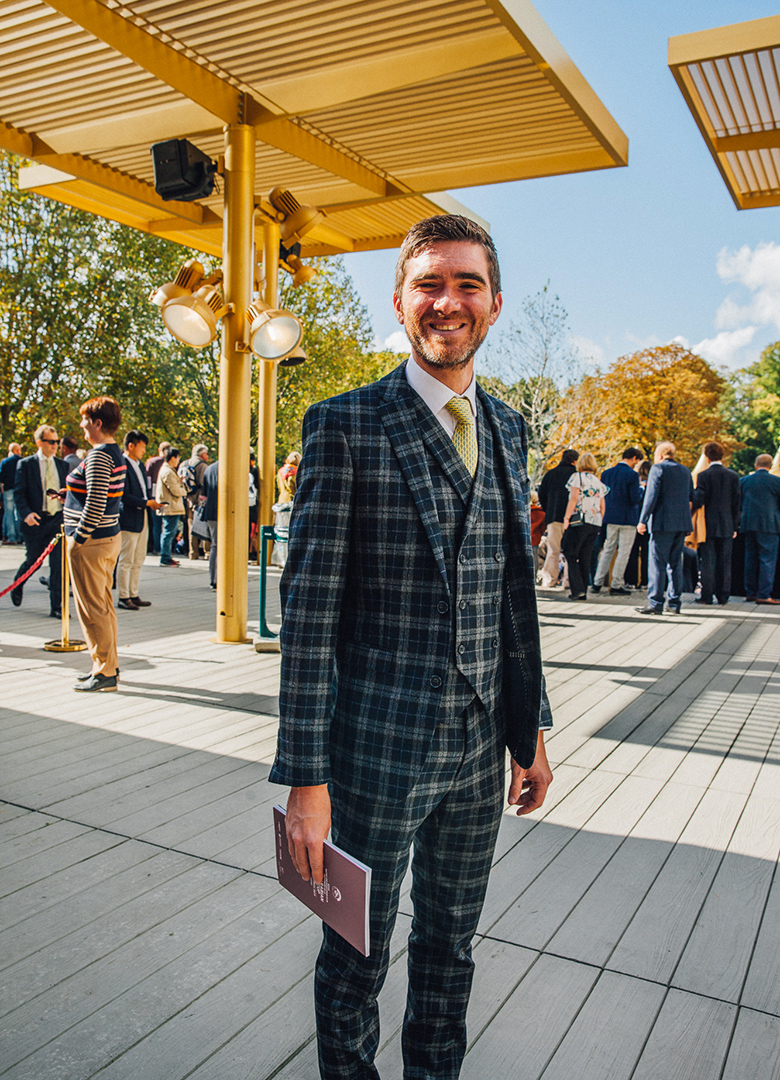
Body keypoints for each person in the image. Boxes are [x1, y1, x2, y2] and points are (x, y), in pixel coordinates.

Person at [271, 215, 553, 1080]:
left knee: (451, 949)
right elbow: (310, 616)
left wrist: (529, 728)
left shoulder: (508, 428)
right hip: (373, 750)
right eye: (430, 284)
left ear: (495, 304)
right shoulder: (344, 424)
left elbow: (512, 596)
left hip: (477, 749)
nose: (448, 302)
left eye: (467, 284)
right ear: (401, 302)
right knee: (355, 955)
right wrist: (305, 782)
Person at [64, 397, 127, 691]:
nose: (81, 426)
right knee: (102, 605)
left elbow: (96, 501)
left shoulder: (99, 455)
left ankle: (104, 671)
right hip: (106, 537)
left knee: (92, 608)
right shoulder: (114, 453)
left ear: (97, 423)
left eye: (85, 420)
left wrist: (78, 537)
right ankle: (106, 665)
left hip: (91, 541)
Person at [11, 426, 70, 616]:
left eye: (57, 442)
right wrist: (26, 514)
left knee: (58, 565)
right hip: (35, 521)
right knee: (33, 560)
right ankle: (17, 584)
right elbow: (19, 494)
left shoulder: (62, 466)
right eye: (51, 442)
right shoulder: (26, 464)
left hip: (57, 521)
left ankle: (57, 607)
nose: (55, 445)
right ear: (39, 442)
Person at [636, 441, 694, 615]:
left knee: (657, 563)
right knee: (675, 563)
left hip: (662, 523)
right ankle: (674, 603)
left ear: (660, 455)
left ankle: (655, 602)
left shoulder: (658, 469)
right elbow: (691, 495)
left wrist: (643, 520)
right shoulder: (685, 471)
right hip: (681, 524)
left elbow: (650, 496)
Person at [117, 430, 164, 609]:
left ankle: (133, 593)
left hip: (142, 515)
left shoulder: (139, 465)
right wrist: (146, 502)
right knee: (126, 559)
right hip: (129, 516)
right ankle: (123, 596)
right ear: (131, 446)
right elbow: (124, 495)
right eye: (142, 447)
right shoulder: (122, 464)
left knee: (138, 558)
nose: (144, 450)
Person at [691, 441, 741, 606]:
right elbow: (737, 503)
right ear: (723, 455)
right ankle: (723, 595)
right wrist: (735, 526)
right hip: (727, 524)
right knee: (725, 562)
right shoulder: (733, 476)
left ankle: (706, 595)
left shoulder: (703, 476)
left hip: (708, 525)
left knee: (708, 561)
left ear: (706, 456)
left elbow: (699, 500)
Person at [591, 447, 643, 596]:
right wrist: (641, 490)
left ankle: (597, 582)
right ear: (633, 458)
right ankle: (616, 584)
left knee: (608, 549)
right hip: (627, 517)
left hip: (609, 516)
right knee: (623, 552)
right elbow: (634, 498)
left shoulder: (607, 473)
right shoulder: (632, 475)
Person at [561, 452, 607, 601]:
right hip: (595, 522)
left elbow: (573, 499)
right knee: (585, 556)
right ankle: (584, 589)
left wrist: (567, 518)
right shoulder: (598, 482)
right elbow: (602, 504)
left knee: (570, 552)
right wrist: (600, 519)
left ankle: (577, 589)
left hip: (580, 520)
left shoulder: (577, 477)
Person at [740, 453, 780, 605]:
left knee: (750, 559)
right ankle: (763, 594)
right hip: (769, 525)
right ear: (770, 466)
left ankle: (750, 592)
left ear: (755, 465)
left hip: (748, 523)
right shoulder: (777, 482)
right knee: (767, 560)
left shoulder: (744, 481)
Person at [537, 449, 578, 587]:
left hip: (553, 516)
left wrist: (547, 509)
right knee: (570, 551)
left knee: (553, 550)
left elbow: (541, 494)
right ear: (575, 461)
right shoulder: (575, 475)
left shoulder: (551, 474)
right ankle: (568, 581)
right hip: (572, 518)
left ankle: (549, 580)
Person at [155, 447, 186, 567]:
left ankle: (167, 556)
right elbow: (176, 491)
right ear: (173, 458)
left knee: (169, 532)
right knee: (168, 533)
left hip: (171, 506)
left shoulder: (168, 470)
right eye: (178, 458)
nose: (178, 461)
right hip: (170, 507)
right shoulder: (168, 471)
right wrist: (183, 489)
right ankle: (165, 557)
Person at [179, 443, 210, 560]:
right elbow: (204, 484)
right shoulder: (202, 466)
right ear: (202, 454)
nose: (207, 456)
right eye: (206, 454)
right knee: (203, 525)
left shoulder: (184, 464)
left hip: (188, 500)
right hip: (200, 500)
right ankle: (207, 552)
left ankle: (193, 552)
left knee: (191, 526)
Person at [145, 441, 170, 554]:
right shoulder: (170, 463)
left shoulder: (152, 462)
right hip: (167, 496)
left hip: (154, 495)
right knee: (166, 524)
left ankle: (156, 547)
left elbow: (148, 480)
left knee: (156, 524)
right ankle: (164, 548)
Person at [201, 458, 218, 589]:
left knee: (215, 546)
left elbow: (204, 492)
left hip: (211, 512)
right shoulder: (234, 469)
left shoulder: (209, 469)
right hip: (228, 512)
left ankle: (214, 578)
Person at [1, 442, 23, 544]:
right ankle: (20, 536)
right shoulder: (22, 462)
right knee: (18, 513)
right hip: (19, 489)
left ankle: (11, 536)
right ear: (17, 451)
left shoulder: (5, 462)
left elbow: (1, 476)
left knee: (9, 514)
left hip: (8, 489)